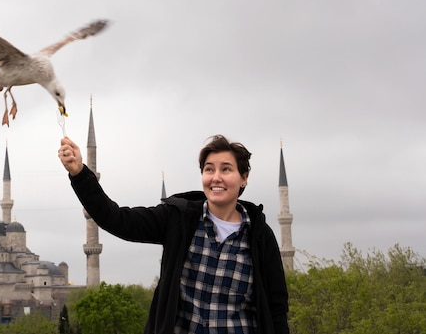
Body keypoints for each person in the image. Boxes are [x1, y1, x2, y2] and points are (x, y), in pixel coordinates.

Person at [58, 134, 289, 334]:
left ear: (243, 178)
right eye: (209, 169)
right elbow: (117, 219)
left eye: (226, 169)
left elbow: (276, 308)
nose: (216, 177)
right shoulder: (179, 218)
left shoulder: (259, 236)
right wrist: (80, 173)